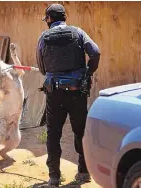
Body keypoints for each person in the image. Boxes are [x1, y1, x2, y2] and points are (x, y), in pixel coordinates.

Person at [36, 4, 101, 187]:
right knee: (81, 131)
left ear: (49, 19)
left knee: (53, 134)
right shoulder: (78, 32)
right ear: (64, 17)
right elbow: (95, 53)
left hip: (54, 94)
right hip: (76, 92)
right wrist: (88, 74)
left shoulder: (43, 38)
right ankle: (83, 172)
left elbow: (41, 68)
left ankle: (54, 178)